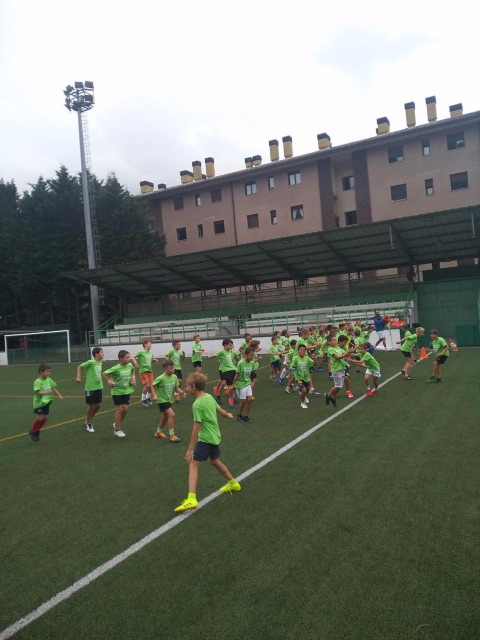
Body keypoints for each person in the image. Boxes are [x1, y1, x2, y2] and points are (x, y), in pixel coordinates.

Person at [174, 373, 240, 513]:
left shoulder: (197, 404)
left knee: (194, 464)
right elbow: (220, 410)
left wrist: (190, 449)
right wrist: (227, 415)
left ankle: (191, 498)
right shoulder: (209, 396)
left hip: (206, 438)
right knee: (214, 461)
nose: (186, 388)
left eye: (187, 386)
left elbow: (196, 428)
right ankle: (233, 483)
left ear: (193, 387)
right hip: (215, 436)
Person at [103, 350, 136, 438]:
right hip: (117, 391)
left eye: (129, 357)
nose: (129, 359)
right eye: (127, 358)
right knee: (120, 409)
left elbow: (133, 371)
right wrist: (109, 381)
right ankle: (117, 429)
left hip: (127, 390)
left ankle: (116, 423)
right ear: (121, 359)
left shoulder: (130, 365)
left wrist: (133, 378)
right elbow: (104, 373)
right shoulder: (116, 368)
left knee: (125, 410)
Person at [151, 359, 185, 442]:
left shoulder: (174, 377)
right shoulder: (161, 378)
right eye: (171, 368)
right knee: (172, 415)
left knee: (165, 417)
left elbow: (176, 387)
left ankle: (158, 432)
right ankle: (172, 435)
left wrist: (181, 392)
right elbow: (152, 385)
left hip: (169, 399)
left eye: (173, 368)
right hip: (161, 400)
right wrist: (155, 395)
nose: (173, 369)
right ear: (165, 368)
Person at [30, 363, 63, 441]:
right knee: (40, 418)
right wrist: (46, 393)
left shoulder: (49, 379)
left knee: (45, 418)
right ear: (41, 372)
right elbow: (38, 392)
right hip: (39, 403)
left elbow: (53, 388)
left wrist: (59, 395)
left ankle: (37, 430)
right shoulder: (37, 381)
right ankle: (33, 431)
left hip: (46, 402)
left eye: (50, 371)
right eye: (47, 371)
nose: (49, 373)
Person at [76, 346, 104, 432]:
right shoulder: (90, 362)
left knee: (98, 405)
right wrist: (78, 376)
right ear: (96, 354)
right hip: (90, 388)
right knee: (91, 406)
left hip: (98, 387)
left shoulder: (100, 362)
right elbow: (79, 366)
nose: (103, 354)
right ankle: (88, 423)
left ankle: (88, 420)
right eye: (102, 352)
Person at [324, 336, 355, 408]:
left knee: (340, 385)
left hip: (342, 368)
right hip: (336, 369)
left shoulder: (337, 348)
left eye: (335, 340)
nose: (335, 341)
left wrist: (351, 354)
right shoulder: (330, 349)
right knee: (338, 385)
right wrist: (348, 352)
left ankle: (332, 397)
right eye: (333, 340)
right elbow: (337, 357)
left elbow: (344, 354)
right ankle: (328, 395)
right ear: (329, 342)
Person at [210, 338, 238, 407]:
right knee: (225, 384)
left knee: (232, 385)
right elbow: (214, 355)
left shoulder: (233, 352)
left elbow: (237, 359)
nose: (231, 346)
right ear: (225, 345)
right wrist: (211, 356)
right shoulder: (221, 352)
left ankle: (230, 395)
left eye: (232, 345)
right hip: (223, 370)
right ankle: (226, 398)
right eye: (230, 345)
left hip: (232, 370)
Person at [132, 338, 157, 407]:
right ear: (145, 344)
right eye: (149, 344)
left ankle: (148, 398)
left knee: (152, 385)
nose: (151, 345)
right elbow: (133, 357)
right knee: (147, 385)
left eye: (151, 344)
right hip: (143, 371)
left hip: (150, 371)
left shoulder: (150, 353)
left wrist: (153, 360)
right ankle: (143, 399)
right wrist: (135, 363)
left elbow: (149, 361)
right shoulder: (141, 352)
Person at [233, 346, 255, 422]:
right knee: (243, 401)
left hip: (247, 383)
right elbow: (236, 375)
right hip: (240, 384)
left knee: (250, 400)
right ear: (246, 354)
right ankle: (239, 415)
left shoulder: (252, 363)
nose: (252, 356)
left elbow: (250, 374)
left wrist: (252, 382)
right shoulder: (241, 363)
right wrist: (233, 385)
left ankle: (246, 416)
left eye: (253, 355)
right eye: (251, 355)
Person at [290, 344, 314, 409]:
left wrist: (312, 357)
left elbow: (311, 363)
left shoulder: (307, 358)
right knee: (303, 390)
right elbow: (292, 366)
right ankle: (302, 403)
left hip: (306, 377)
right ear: (298, 350)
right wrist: (291, 368)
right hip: (299, 378)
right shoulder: (296, 358)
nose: (302, 352)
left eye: (304, 351)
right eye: (301, 350)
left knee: (307, 390)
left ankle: (304, 396)